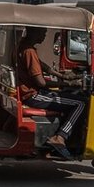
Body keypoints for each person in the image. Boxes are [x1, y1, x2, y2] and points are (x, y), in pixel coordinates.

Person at [15, 27, 86, 160]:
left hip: (31, 92)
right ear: (34, 32)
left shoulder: (24, 46)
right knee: (80, 103)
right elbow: (41, 82)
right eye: (43, 32)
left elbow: (41, 65)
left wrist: (63, 77)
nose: (44, 35)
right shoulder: (29, 51)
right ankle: (60, 137)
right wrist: (67, 84)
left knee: (68, 96)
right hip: (33, 95)